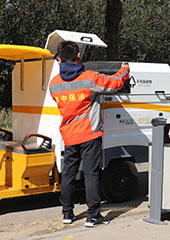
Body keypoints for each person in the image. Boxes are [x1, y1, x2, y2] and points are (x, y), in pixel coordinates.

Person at [49, 41, 130, 227]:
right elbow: (114, 84)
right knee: (91, 174)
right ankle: (93, 216)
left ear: (60, 59)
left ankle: (67, 213)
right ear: (78, 56)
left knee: (68, 174)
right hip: (89, 134)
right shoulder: (90, 77)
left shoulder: (54, 84)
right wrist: (124, 70)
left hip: (69, 135)